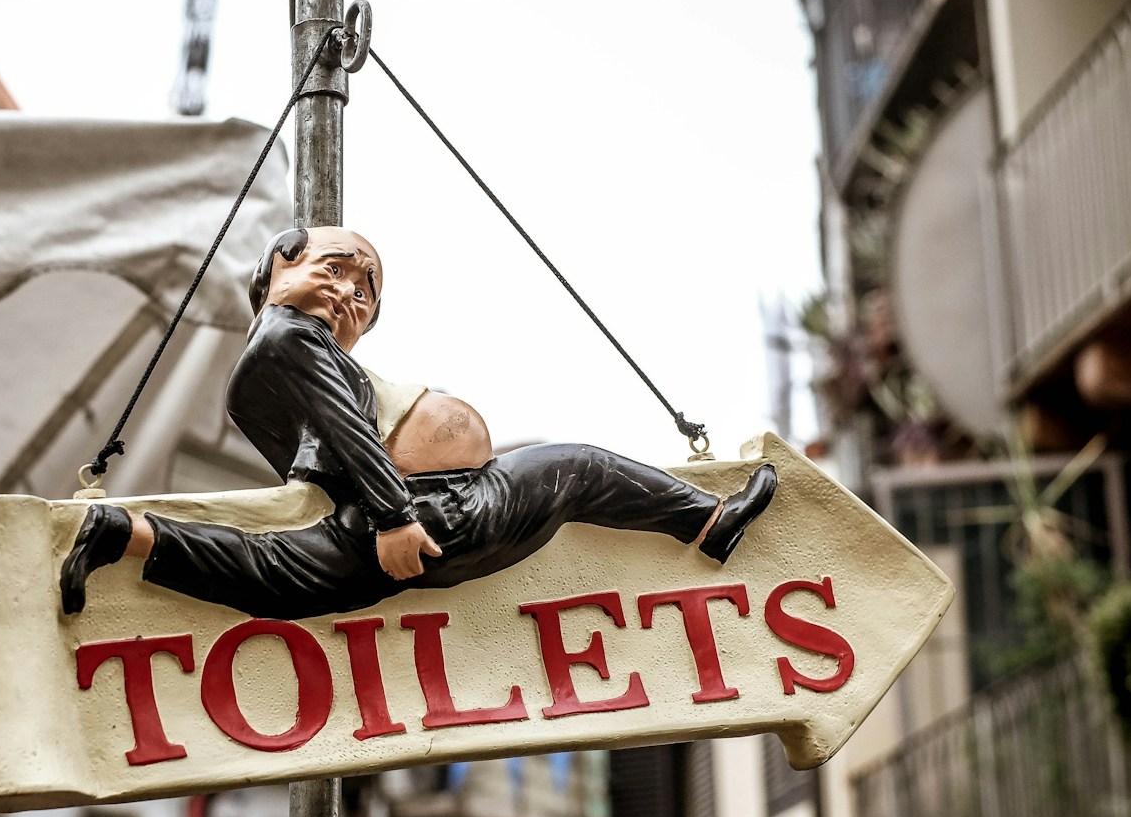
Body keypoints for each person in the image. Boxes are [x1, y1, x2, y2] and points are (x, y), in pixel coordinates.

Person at [59, 227, 777, 620]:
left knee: (271, 577)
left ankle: (121, 533)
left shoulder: (274, 363)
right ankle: (712, 524)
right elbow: (347, 430)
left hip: (380, 521)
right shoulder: (286, 339)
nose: (348, 294)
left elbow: (313, 459)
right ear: (280, 262)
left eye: (365, 295)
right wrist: (396, 514)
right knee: (577, 468)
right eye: (335, 270)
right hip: (437, 514)